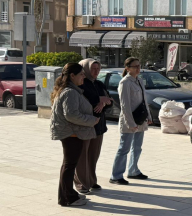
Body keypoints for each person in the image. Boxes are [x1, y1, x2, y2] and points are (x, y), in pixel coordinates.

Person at [50, 63, 100, 207]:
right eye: (81, 74)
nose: (84, 76)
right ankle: (67, 198)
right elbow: (71, 115)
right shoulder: (70, 92)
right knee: (69, 166)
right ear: (72, 76)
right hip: (71, 134)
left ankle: (67, 194)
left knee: (68, 165)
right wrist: (92, 120)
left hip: (72, 133)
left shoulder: (70, 90)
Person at [110, 56, 152, 185]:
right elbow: (125, 105)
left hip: (140, 118)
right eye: (135, 66)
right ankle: (116, 176)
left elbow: (144, 100)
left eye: (139, 66)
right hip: (129, 120)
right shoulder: (125, 83)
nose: (138, 68)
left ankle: (133, 170)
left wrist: (149, 116)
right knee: (124, 149)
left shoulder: (139, 80)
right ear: (128, 68)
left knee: (137, 147)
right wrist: (131, 123)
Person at [74, 59, 112, 194]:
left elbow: (109, 101)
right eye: (93, 68)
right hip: (85, 125)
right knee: (82, 156)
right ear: (85, 69)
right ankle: (81, 183)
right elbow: (82, 102)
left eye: (98, 68)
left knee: (93, 156)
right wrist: (99, 100)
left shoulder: (99, 84)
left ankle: (91, 180)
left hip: (99, 126)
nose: (96, 71)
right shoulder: (80, 83)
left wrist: (104, 103)